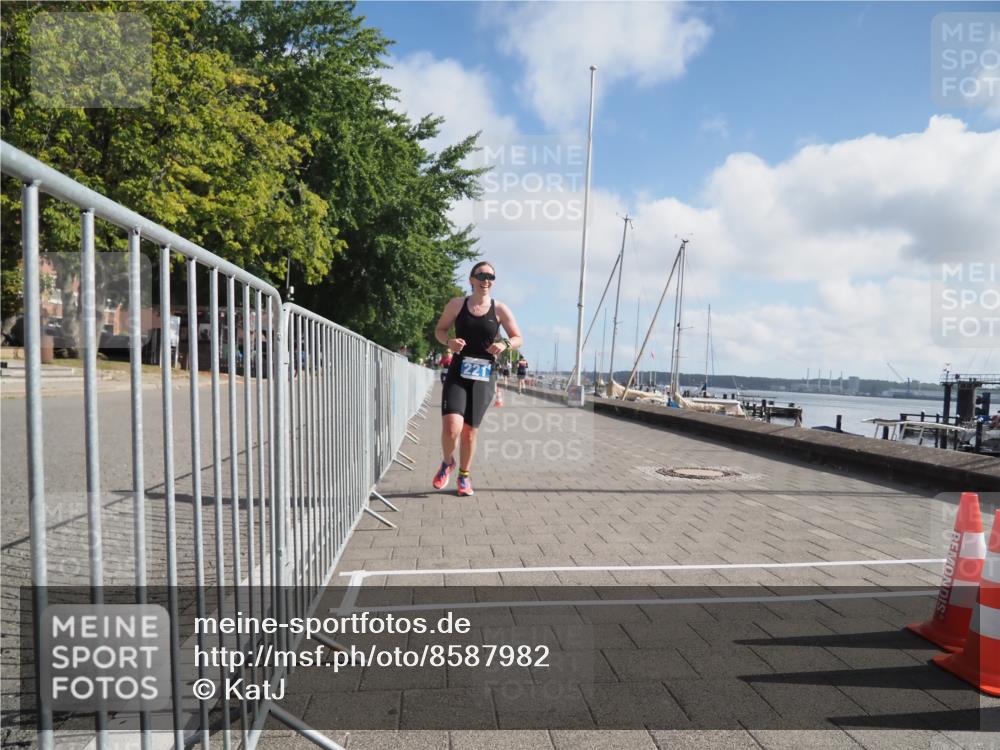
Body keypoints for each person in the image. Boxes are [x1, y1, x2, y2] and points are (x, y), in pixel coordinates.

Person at [432, 261, 523, 496]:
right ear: (471, 279)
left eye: (491, 277)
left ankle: (464, 476)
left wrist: (504, 344)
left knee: (470, 431)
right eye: (481, 275)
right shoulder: (456, 304)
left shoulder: (500, 309)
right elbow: (440, 330)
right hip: (458, 371)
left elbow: (517, 337)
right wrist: (448, 342)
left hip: (484, 376)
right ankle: (447, 462)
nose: (486, 280)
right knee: (452, 427)